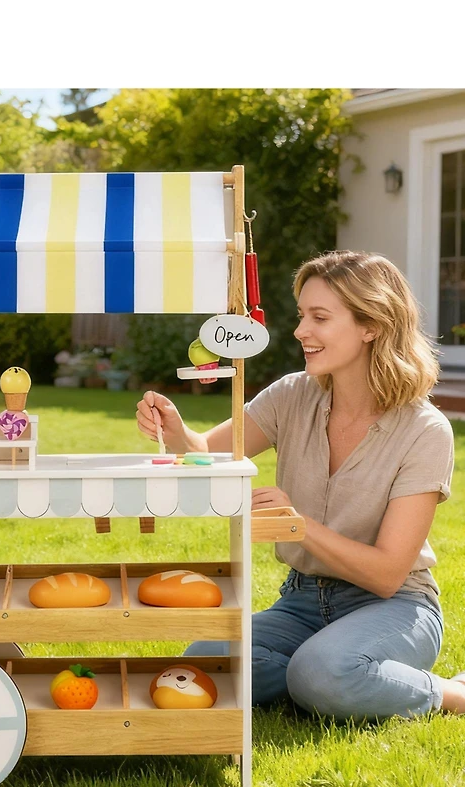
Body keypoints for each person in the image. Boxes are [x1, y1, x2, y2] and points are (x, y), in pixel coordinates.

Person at [137, 250, 465, 721]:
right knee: (200, 662)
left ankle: (447, 693)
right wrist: (172, 428)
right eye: (301, 316)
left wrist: (300, 526)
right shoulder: (292, 395)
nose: (299, 331)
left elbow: (388, 573)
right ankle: (337, 674)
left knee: (321, 674)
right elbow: (206, 453)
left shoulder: (424, 431)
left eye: (320, 318)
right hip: (302, 600)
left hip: (394, 607)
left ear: (371, 324)